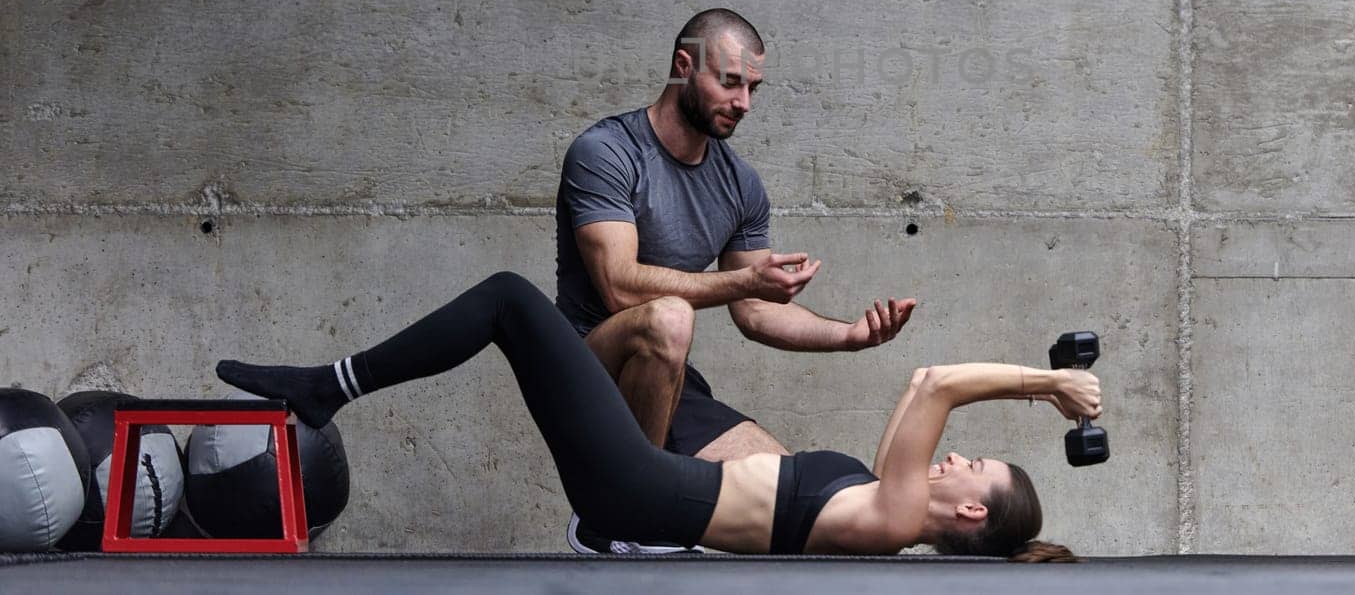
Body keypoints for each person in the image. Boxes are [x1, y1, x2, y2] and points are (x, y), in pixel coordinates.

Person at [217, 271, 1095, 559]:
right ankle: (332, 384)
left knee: (509, 302)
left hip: (638, 492)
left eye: (970, 467)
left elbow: (936, 381)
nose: (954, 459)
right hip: (661, 477)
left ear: (971, 511)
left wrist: (1046, 385)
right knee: (658, 345)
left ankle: (329, 384)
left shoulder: (897, 515)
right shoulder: (879, 496)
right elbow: (918, 391)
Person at [557, 8, 917, 473]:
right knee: (670, 317)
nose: (744, 102)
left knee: (790, 487)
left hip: (666, 377)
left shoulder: (739, 184)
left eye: (752, 88)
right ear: (684, 67)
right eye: (729, 82)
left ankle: (642, 506)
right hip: (583, 366)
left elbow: (755, 311)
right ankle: (623, 517)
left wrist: (849, 336)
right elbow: (620, 287)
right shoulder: (607, 152)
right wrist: (745, 281)